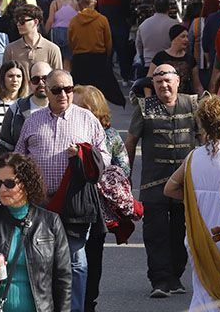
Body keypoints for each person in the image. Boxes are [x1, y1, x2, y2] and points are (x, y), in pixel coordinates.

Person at [15, 70, 110, 312]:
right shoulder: (33, 121)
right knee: (39, 261)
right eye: (57, 90)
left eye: (68, 89)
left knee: (76, 261)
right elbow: (19, 160)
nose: (64, 95)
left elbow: (106, 156)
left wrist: (84, 154)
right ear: (45, 90)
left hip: (74, 202)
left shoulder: (87, 118)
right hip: (40, 204)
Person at [0, 153, 71, 312]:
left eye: (9, 183)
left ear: (26, 184)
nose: (2, 189)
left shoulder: (50, 222)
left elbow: (63, 279)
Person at [123, 66, 199, 298]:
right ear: (153, 86)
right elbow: (131, 140)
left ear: (178, 81)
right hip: (153, 183)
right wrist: (125, 174)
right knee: (155, 233)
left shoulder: (193, 104)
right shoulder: (145, 107)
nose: (164, 86)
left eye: (168, 80)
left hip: (184, 183)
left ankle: (175, 276)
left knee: (181, 231)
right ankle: (160, 280)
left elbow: (205, 137)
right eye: (158, 82)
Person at [162, 96, 220, 312]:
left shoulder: (192, 157)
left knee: (204, 293)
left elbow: (169, 189)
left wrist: (194, 199)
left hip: (200, 234)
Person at [72, 85, 128, 312]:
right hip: (68, 206)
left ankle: (88, 303)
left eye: (79, 106)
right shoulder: (68, 130)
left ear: (93, 109)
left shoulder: (111, 136)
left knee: (92, 257)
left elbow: (123, 169)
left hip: (97, 209)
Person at [69, 0, 126, 107]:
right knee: (99, 90)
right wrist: (107, 56)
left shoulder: (74, 21)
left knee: (80, 90)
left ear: (80, 4)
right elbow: (108, 41)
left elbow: (71, 41)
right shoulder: (102, 19)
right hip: (98, 58)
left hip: (80, 59)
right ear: (95, 3)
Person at [0, 61, 53, 153]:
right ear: (30, 83)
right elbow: (4, 146)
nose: (41, 83)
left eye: (45, 78)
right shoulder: (16, 109)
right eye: (36, 79)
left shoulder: (62, 108)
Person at [94, 0, 133, 81]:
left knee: (107, 55)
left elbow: (96, 12)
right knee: (122, 55)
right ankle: (125, 78)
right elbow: (127, 13)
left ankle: (107, 77)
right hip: (120, 29)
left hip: (104, 29)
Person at [147, 25, 204, 96]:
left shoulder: (190, 59)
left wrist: (204, 100)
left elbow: (197, 85)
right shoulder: (160, 57)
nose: (186, 40)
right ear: (174, 38)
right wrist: (148, 100)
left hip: (184, 101)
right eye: (183, 36)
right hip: (163, 99)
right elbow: (148, 80)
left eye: (187, 37)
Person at [3, 5, 63, 70]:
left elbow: (57, 76)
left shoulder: (52, 49)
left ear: (35, 22)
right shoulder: (10, 49)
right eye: (17, 21)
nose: (18, 24)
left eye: (22, 21)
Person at [135, 0, 178, 73]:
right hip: (169, 63)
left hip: (149, 62)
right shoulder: (174, 24)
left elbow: (138, 45)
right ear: (168, 8)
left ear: (154, 8)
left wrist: (142, 57)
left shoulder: (144, 24)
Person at [45, 0, 80, 67]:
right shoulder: (75, 3)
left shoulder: (55, 3)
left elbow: (50, 20)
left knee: (57, 57)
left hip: (57, 32)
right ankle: (66, 76)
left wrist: (45, 31)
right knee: (68, 59)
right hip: (71, 32)